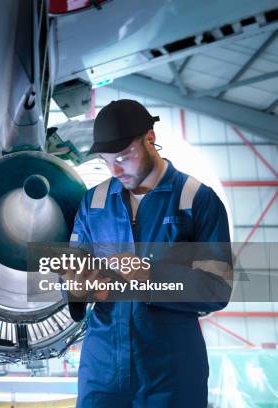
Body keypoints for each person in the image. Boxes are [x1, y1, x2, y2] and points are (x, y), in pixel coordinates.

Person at [64, 99, 233, 407]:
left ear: (150, 140)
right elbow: (74, 276)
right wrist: (78, 286)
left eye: (124, 157)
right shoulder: (93, 204)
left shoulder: (196, 201)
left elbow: (216, 288)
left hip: (171, 370)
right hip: (102, 367)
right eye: (105, 160)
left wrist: (149, 275)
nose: (115, 170)